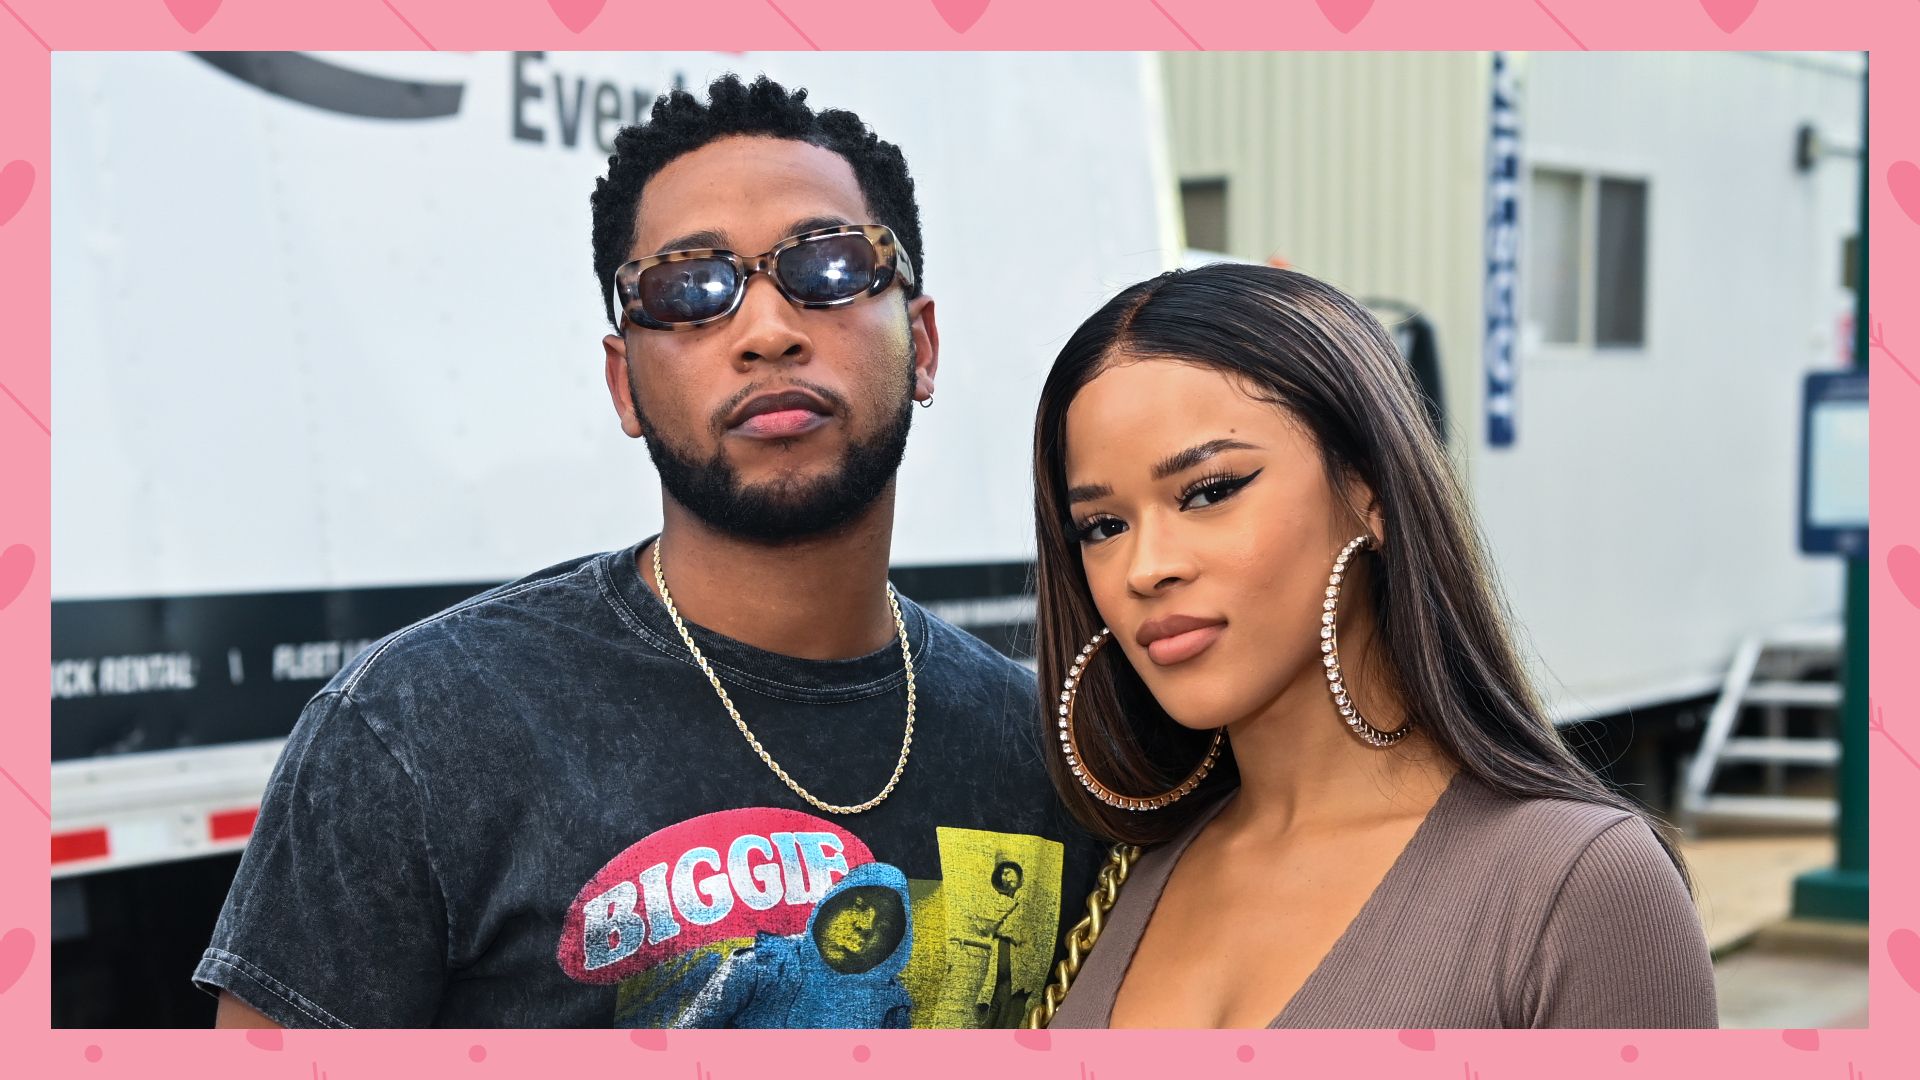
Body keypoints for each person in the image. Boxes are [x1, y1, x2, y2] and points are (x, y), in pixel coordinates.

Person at [193, 73, 1100, 1029]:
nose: (768, 331)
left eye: (829, 266)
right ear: (624, 385)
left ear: (921, 343)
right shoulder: (416, 731)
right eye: (689, 288)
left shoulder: (1038, 749)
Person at [1027, 264, 1717, 1029]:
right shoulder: (1121, 871)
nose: (1147, 568)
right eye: (1103, 526)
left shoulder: (1579, 887)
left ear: (1372, 495)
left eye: (1210, 492)